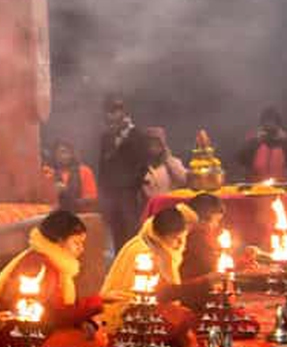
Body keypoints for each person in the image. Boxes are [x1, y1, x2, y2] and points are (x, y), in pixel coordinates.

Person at [0, 210, 104, 347]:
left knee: (89, 334)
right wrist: (97, 302)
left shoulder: (54, 263)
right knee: (84, 342)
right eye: (76, 243)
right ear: (59, 241)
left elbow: (59, 308)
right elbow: (47, 315)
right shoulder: (38, 265)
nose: (81, 249)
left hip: (40, 333)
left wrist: (83, 320)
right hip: (18, 342)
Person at [100, 205, 212, 347]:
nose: (181, 242)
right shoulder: (144, 252)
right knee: (184, 317)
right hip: (129, 315)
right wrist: (204, 283)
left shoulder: (161, 247)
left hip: (153, 310)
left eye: (183, 236)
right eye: (175, 238)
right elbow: (160, 294)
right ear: (160, 235)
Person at [98, 97, 151, 249]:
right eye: (109, 112)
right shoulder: (106, 136)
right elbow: (102, 164)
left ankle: (134, 261)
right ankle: (119, 262)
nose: (111, 115)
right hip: (111, 191)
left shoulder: (137, 135)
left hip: (129, 192)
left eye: (115, 111)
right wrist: (102, 189)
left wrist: (132, 185)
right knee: (116, 230)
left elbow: (142, 163)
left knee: (131, 229)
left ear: (123, 112)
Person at [238, 106, 287, 182]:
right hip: (256, 188)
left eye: (273, 123)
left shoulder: (285, 143)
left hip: (279, 189)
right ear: (261, 126)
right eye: (266, 124)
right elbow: (241, 160)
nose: (269, 127)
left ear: (278, 126)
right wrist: (254, 141)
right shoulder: (255, 141)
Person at [178, 192, 227, 282]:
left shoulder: (197, 236)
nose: (217, 225)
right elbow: (212, 268)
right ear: (202, 220)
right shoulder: (195, 239)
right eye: (216, 220)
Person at [139, 127, 189, 202]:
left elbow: (184, 180)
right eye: (150, 143)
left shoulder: (172, 163)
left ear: (163, 145)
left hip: (170, 208)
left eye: (157, 143)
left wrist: (168, 159)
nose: (153, 147)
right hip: (149, 209)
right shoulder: (138, 166)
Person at [46, 141, 98, 213]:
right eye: (60, 152)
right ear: (54, 155)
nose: (64, 156)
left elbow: (92, 200)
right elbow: (43, 201)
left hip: (79, 217)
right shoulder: (48, 172)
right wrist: (53, 192)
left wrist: (66, 192)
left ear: (73, 154)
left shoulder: (85, 171)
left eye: (66, 152)